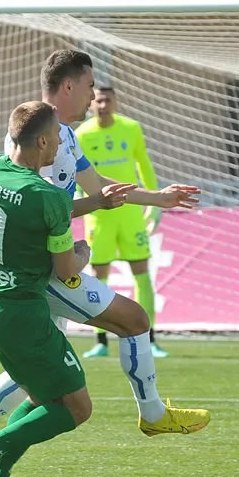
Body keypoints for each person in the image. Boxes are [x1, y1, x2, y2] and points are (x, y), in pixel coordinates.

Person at [0, 50, 209, 477]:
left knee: (40, 384)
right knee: (132, 322)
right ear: (68, 87)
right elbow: (42, 208)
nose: (93, 95)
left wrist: (158, 197)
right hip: (45, 268)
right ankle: (153, 415)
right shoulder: (40, 140)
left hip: (23, 273)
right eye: (88, 85)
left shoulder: (54, 135)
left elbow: (96, 188)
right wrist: (76, 253)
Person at [0, 101, 102, 477]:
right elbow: (66, 271)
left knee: (41, 398)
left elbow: (24, 203)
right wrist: (82, 254)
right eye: (56, 137)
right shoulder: (47, 197)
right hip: (23, 315)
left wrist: (98, 201)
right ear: (41, 142)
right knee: (76, 408)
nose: (60, 144)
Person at [75, 85, 170, 359]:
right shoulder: (82, 134)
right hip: (100, 215)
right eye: (99, 101)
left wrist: (154, 203)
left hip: (130, 214)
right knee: (98, 275)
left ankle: (150, 339)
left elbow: (144, 165)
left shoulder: (131, 128)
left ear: (116, 103)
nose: (103, 105)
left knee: (141, 271)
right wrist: (81, 202)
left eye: (108, 100)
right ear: (92, 104)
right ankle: (101, 341)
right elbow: (77, 174)